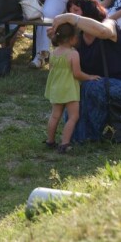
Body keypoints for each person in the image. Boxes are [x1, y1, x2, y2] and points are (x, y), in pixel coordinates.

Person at [48, 0, 121, 143]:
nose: (71, 15)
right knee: (75, 92)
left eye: (76, 10)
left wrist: (70, 17)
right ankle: (79, 135)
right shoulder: (76, 39)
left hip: (117, 84)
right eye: (69, 11)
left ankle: (88, 135)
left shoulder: (109, 24)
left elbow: (103, 32)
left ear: (89, 11)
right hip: (92, 84)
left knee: (90, 87)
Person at [45, 22, 100, 153]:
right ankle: (65, 143)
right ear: (71, 39)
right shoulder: (73, 54)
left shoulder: (54, 52)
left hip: (56, 88)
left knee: (54, 116)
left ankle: (50, 141)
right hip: (69, 90)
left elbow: (51, 70)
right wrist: (90, 77)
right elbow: (77, 74)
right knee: (73, 117)